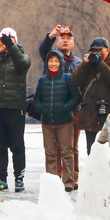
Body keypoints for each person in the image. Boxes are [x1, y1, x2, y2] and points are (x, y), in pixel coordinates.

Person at [0, 27, 31, 193]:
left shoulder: (22, 56)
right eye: (4, 39)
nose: (7, 43)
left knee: (17, 145)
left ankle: (19, 178)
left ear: (16, 40)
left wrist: (12, 47)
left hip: (15, 107)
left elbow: (22, 64)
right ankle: (2, 178)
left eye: (11, 39)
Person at [39, 24, 83, 182]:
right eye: (62, 38)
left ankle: (73, 176)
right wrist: (51, 36)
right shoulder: (51, 58)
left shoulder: (78, 62)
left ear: (74, 42)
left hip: (73, 110)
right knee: (54, 147)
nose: (65, 41)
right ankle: (55, 177)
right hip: (53, 109)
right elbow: (43, 49)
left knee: (72, 147)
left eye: (68, 38)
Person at [34, 49, 81, 192]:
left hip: (65, 121)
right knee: (50, 153)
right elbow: (36, 99)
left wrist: (66, 108)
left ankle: (68, 181)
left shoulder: (68, 78)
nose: (53, 64)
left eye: (56, 61)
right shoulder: (42, 80)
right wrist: (43, 109)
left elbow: (76, 97)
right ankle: (52, 180)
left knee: (67, 152)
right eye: (51, 61)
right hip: (47, 122)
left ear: (60, 63)